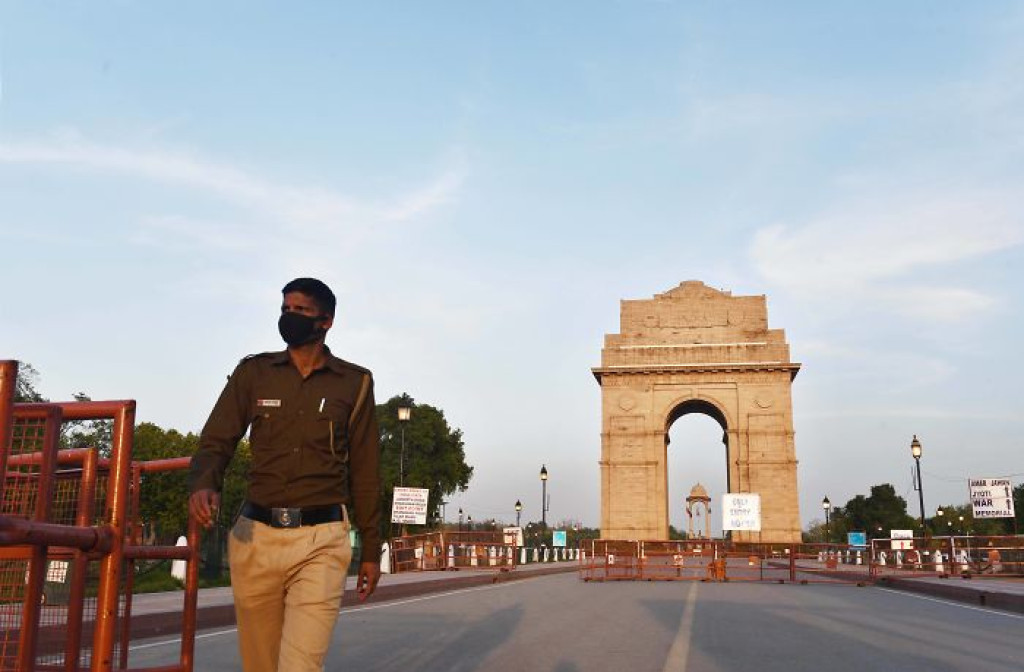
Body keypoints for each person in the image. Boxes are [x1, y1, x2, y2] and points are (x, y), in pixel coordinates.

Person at [188, 277, 381, 672]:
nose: (289, 317)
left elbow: (365, 468)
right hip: (255, 538)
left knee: (300, 666)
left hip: (321, 541)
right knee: (260, 665)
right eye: (284, 310)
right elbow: (216, 440)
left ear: (325, 321)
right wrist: (205, 483)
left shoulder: (355, 383)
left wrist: (372, 550)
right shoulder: (254, 374)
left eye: (300, 311)